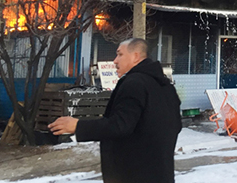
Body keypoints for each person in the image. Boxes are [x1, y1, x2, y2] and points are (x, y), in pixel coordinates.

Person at [48, 38, 182, 183]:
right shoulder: (166, 86)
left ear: (136, 56)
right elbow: (176, 125)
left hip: (132, 175)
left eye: (120, 54)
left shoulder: (134, 83)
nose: (115, 61)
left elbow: (120, 125)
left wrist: (78, 126)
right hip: (161, 173)